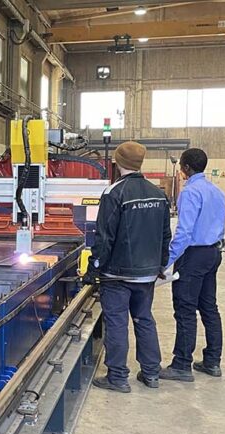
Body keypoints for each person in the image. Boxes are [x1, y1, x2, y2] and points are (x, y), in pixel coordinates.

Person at [87, 141, 172, 393]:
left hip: (117, 274)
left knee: (117, 322)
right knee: (144, 319)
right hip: (147, 273)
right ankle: (151, 373)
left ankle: (117, 377)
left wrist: (94, 267)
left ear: (117, 161)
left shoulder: (114, 193)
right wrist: (160, 264)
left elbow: (104, 237)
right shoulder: (158, 194)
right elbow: (165, 235)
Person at [160, 148, 225, 382]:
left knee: (185, 309)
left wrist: (166, 261)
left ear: (186, 168)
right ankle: (212, 361)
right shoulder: (217, 191)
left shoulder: (190, 192)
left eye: (181, 166)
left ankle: (181, 365)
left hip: (194, 256)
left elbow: (184, 232)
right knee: (209, 307)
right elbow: (220, 225)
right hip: (213, 253)